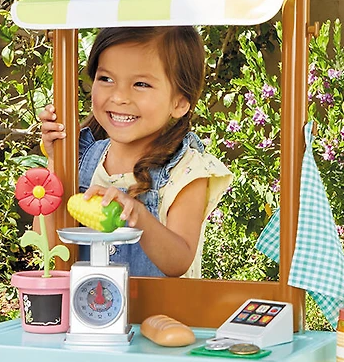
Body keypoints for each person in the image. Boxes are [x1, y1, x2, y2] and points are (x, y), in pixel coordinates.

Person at [39, 26, 231, 278]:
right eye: (106, 79)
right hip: (89, 301)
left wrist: (137, 214)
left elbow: (179, 260)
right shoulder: (82, 159)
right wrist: (56, 164)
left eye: (141, 84)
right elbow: (49, 245)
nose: (119, 97)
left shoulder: (185, 171)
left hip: (162, 304)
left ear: (179, 102)